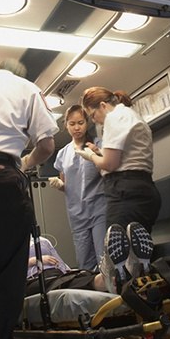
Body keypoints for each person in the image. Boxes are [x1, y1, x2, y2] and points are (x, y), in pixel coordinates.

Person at [0, 58, 59, 339]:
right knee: (7, 271)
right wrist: (24, 163)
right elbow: (47, 145)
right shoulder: (28, 88)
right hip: (2, 177)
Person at [78, 87, 161, 234]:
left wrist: (90, 156)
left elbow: (110, 165)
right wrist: (99, 152)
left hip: (126, 193)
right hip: (142, 190)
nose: (94, 120)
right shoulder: (131, 115)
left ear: (103, 105)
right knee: (136, 250)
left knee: (120, 251)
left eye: (93, 114)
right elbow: (127, 158)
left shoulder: (113, 118)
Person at [48, 105, 106, 271]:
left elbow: (108, 175)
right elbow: (67, 186)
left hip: (99, 210)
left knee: (104, 259)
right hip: (77, 215)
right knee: (85, 264)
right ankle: (92, 295)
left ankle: (111, 294)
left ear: (86, 122)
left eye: (80, 122)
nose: (77, 127)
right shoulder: (62, 154)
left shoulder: (98, 145)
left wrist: (98, 155)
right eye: (72, 123)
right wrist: (59, 185)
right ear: (65, 125)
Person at [26, 222, 154, 296]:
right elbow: (6, 268)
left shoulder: (42, 241)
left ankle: (128, 270)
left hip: (57, 274)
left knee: (77, 276)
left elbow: (62, 264)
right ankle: (113, 275)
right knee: (57, 284)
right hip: (32, 280)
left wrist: (72, 271)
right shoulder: (12, 247)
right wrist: (34, 261)